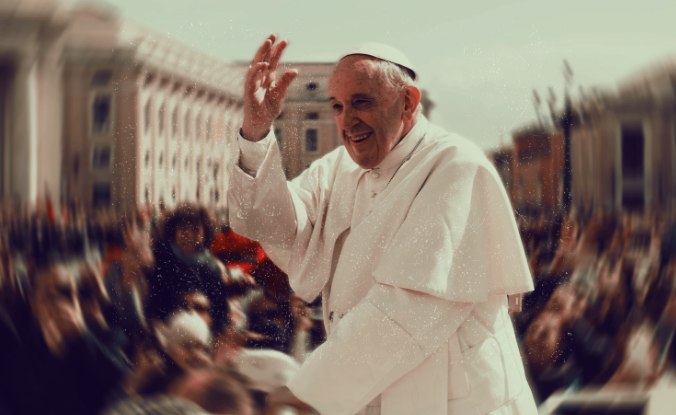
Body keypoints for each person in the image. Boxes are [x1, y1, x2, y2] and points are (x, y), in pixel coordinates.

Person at [228, 35, 537, 415]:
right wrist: (256, 133)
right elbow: (273, 225)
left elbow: (411, 304)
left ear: (408, 102)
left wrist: (308, 393)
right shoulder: (337, 169)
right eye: (338, 106)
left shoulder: (456, 165)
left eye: (361, 102)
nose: (347, 121)